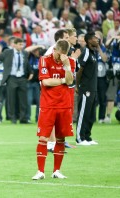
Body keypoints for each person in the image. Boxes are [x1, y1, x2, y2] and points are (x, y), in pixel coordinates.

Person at [32, 39, 75, 180]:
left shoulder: (70, 62)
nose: (60, 57)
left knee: (61, 138)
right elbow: (46, 82)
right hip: (48, 104)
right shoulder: (44, 60)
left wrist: (67, 66)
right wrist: (63, 80)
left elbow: (70, 81)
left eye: (64, 55)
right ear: (55, 49)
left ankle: (57, 171)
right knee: (43, 137)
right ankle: (40, 171)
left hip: (64, 105)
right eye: (58, 54)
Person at [0, 37, 33, 124]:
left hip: (22, 78)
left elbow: (27, 63)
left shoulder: (24, 53)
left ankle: (23, 118)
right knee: (11, 99)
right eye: (20, 44)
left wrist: (31, 72)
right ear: (15, 45)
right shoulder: (8, 52)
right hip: (11, 78)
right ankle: (13, 117)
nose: (22, 46)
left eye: (22, 44)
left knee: (23, 99)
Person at [76, 32, 100, 146]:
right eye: (95, 38)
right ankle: (80, 138)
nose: (97, 39)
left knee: (91, 115)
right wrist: (77, 85)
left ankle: (87, 136)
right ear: (89, 40)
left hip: (93, 87)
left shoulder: (93, 52)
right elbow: (80, 69)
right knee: (83, 113)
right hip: (85, 88)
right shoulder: (85, 51)